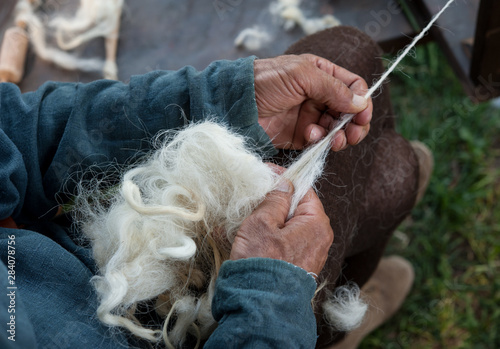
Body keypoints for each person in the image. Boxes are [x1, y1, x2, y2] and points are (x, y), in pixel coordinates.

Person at [0, 25, 428, 348]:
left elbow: (19, 132)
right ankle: (330, 325)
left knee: (350, 52)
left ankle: (337, 293)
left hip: (91, 251)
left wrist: (226, 99)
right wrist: (271, 297)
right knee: (396, 173)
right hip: (184, 328)